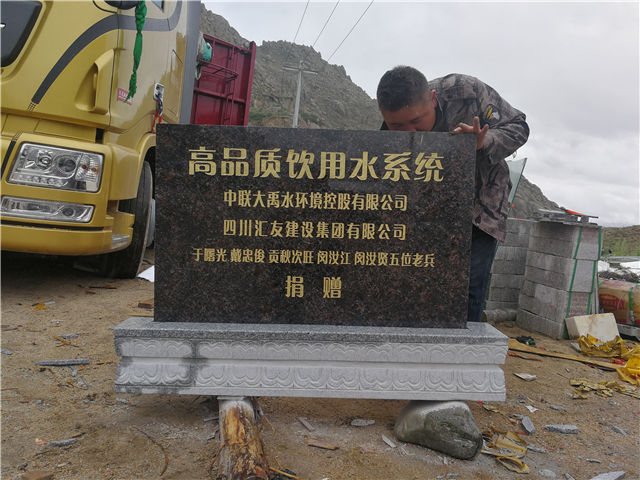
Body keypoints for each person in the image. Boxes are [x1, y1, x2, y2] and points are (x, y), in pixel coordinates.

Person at [376, 66, 529, 323]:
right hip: (428, 211)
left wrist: (484, 141)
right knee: (418, 283)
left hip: (480, 207)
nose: (409, 133)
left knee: (468, 288)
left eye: (417, 121)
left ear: (433, 99)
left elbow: (519, 127)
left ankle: (464, 346)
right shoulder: (386, 131)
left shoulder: (465, 92)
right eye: (398, 125)